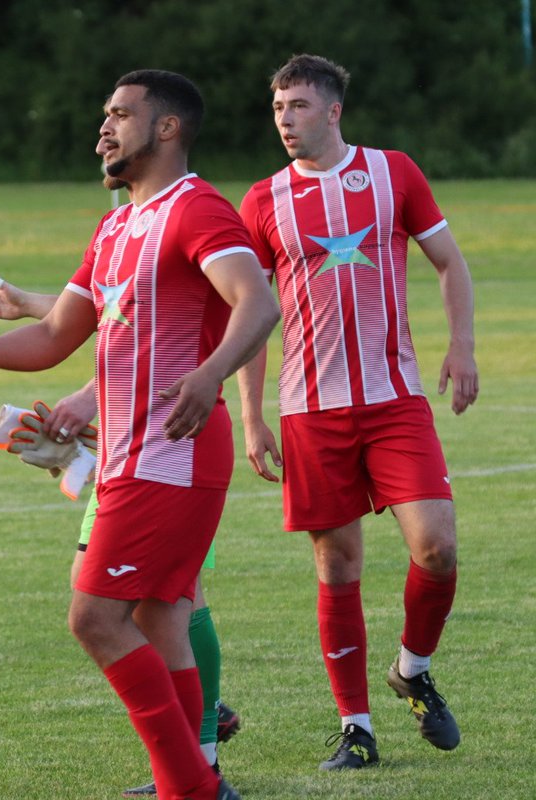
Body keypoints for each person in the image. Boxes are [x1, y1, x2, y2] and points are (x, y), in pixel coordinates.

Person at [0, 70, 279, 800]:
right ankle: (190, 778)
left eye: (121, 115)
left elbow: (258, 301)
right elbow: (59, 332)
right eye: (104, 114)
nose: (104, 128)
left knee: (94, 617)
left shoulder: (196, 209)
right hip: (130, 455)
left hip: (172, 454)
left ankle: (192, 787)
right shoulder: (117, 225)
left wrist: (211, 373)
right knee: (155, 615)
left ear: (167, 129)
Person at [237, 53, 477, 770]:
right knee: (336, 566)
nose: (286, 119)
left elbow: (449, 262)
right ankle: (357, 728)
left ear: (334, 111)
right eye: (279, 107)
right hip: (309, 411)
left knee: (436, 546)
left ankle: (411, 668)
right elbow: (250, 317)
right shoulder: (262, 200)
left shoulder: (392, 172)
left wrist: (461, 347)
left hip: (395, 399)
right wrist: (251, 417)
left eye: (300, 106)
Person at [0, 277, 242, 797]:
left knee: (144, 606)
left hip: (164, 444)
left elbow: (174, 330)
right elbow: (114, 315)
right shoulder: (117, 229)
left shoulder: (185, 216)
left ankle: (199, 759)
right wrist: (29, 304)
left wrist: (88, 397)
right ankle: (191, 763)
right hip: (123, 446)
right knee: (143, 603)